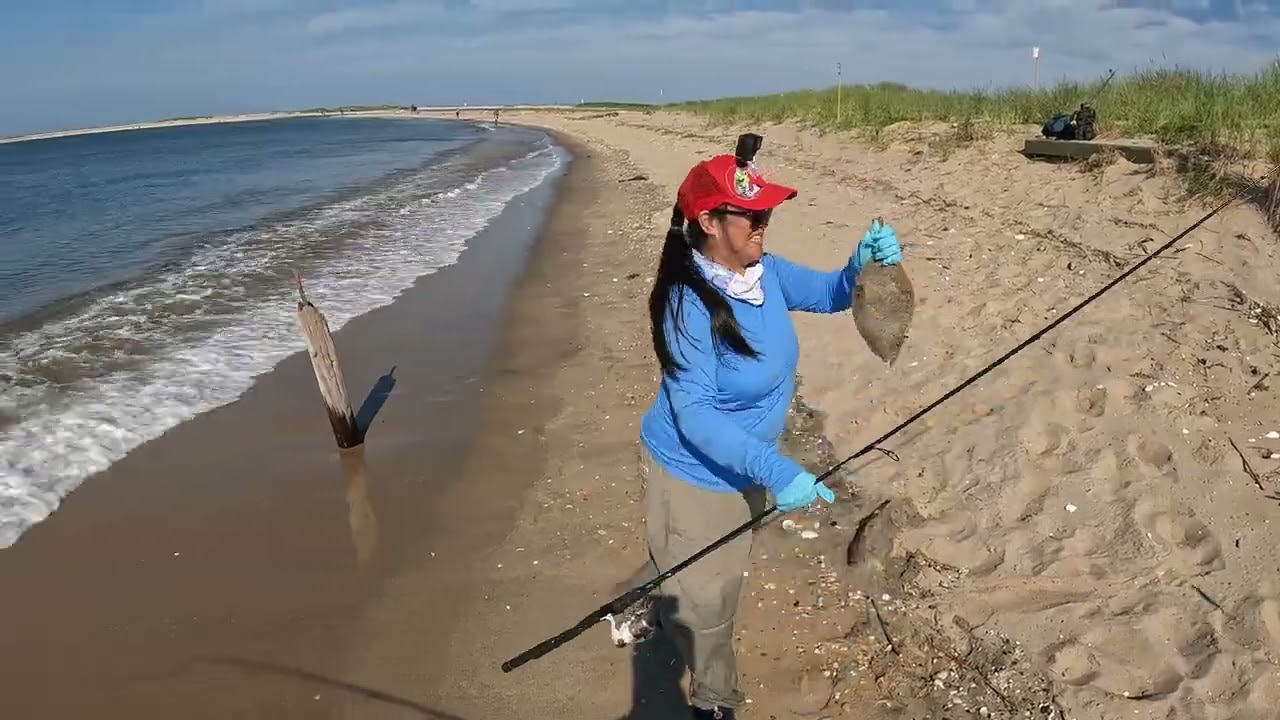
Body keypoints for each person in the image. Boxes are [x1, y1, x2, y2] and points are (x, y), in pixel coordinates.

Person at [632, 136, 901, 720]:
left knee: (714, 574)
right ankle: (714, 702)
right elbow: (696, 416)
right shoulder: (686, 304)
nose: (764, 223)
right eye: (751, 214)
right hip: (695, 473)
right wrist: (776, 468)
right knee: (710, 608)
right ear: (706, 220)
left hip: (749, 463)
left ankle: (674, 585)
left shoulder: (767, 272)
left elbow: (833, 294)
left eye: (768, 212)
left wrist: (865, 263)